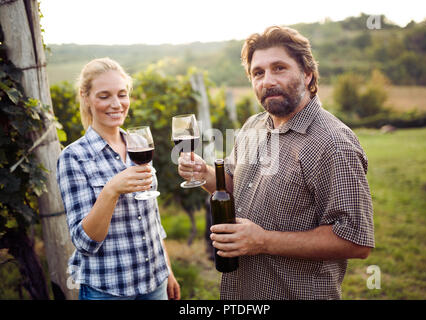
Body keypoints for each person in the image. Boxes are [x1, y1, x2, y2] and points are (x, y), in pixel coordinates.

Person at [178, 26, 375, 299]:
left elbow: (355, 241)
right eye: (258, 73)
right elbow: (235, 187)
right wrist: (206, 174)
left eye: (279, 68)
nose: (267, 81)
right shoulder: (252, 126)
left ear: (308, 74)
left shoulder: (333, 144)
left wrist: (262, 241)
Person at [57, 57, 180, 300]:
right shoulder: (74, 157)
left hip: (154, 282)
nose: (116, 104)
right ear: (86, 97)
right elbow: (85, 243)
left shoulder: (138, 145)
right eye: (104, 96)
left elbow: (151, 219)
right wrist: (111, 190)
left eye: (122, 95)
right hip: (108, 289)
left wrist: (168, 271)